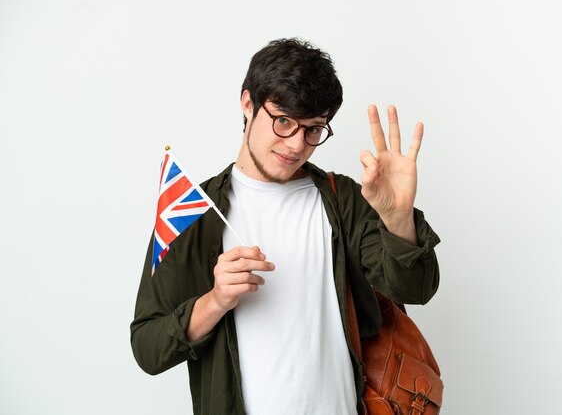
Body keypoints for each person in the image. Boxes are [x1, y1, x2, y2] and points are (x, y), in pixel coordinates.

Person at [131, 38, 441, 415]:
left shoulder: (343, 200)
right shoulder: (195, 213)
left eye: (313, 129)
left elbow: (416, 288)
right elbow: (148, 347)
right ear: (248, 104)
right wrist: (215, 301)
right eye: (283, 122)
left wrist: (398, 217)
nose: (296, 144)